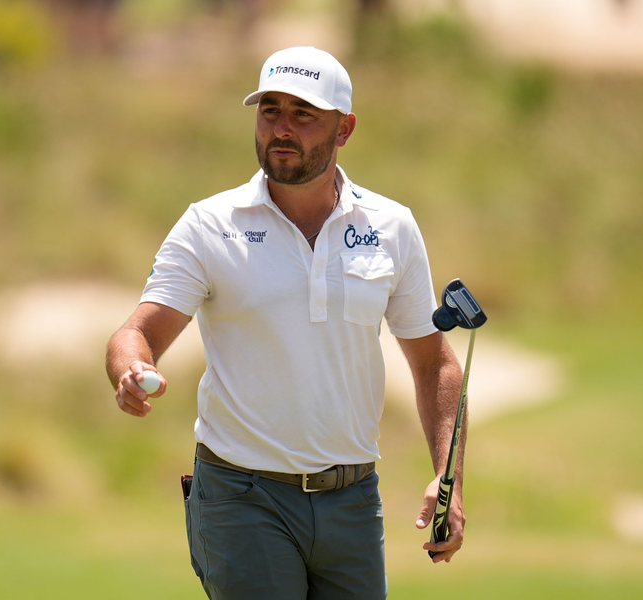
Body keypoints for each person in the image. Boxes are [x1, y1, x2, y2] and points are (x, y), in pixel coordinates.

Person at [106, 46, 466, 599]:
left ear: (343, 129)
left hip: (352, 500)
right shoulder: (210, 225)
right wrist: (131, 369)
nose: (281, 128)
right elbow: (137, 333)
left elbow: (433, 364)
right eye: (270, 110)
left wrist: (449, 477)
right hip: (243, 497)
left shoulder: (391, 227)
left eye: (303, 115)